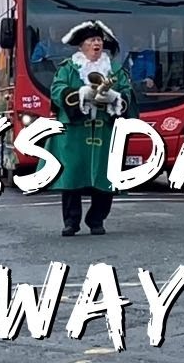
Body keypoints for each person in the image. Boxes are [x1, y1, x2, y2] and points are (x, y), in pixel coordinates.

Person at [43, 20, 132, 237]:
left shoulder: (115, 70)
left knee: (105, 176)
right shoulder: (68, 68)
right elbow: (57, 91)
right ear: (81, 45)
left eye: (99, 40)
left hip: (104, 130)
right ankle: (71, 221)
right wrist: (81, 94)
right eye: (92, 40)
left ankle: (96, 219)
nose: (97, 43)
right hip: (75, 132)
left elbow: (127, 93)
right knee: (71, 176)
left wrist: (115, 98)